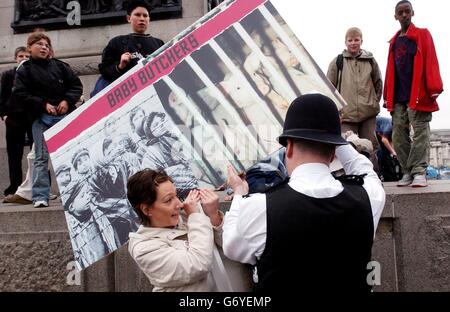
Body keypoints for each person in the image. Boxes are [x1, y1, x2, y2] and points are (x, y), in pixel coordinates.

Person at [222, 94, 386, 292]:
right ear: (334, 152)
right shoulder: (368, 198)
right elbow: (364, 169)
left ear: (288, 147)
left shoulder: (260, 208)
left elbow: (231, 246)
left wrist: (240, 193)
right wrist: (336, 137)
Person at [12, 32, 83, 208]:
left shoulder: (60, 66)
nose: (44, 47)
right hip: (40, 119)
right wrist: (43, 105)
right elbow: (20, 94)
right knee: (41, 158)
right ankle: (40, 196)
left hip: (64, 117)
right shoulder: (24, 70)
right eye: (40, 44)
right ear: (30, 47)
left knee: (68, 156)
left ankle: (71, 194)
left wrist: (67, 101)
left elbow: (76, 85)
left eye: (46, 44)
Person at [127, 168, 224, 292]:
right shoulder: (144, 248)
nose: (178, 204)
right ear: (146, 210)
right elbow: (199, 265)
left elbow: (228, 246)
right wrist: (196, 217)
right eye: (168, 200)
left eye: (176, 195)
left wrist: (213, 214)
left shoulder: (187, 214)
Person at [383, 0, 443, 187]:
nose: (404, 15)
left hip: (418, 94)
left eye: (407, 11)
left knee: (420, 133)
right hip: (399, 96)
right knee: (399, 135)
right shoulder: (393, 42)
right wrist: (387, 96)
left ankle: (419, 171)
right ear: (395, 16)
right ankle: (408, 171)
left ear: (412, 13)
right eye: (400, 12)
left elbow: (431, 61)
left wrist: (433, 88)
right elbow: (389, 71)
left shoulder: (422, 35)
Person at [327, 27, 383, 172]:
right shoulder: (337, 62)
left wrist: (374, 102)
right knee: (346, 147)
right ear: (345, 42)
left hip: (368, 113)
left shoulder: (370, 61)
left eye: (356, 40)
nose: (353, 43)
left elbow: (378, 82)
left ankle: (374, 177)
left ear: (361, 41)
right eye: (350, 40)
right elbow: (329, 88)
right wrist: (335, 111)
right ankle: (349, 180)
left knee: (370, 147)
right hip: (346, 114)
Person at [98, 0, 164, 83]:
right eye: (137, 15)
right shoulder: (117, 42)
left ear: (149, 19)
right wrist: (120, 66)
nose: (142, 19)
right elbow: (104, 70)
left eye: (145, 15)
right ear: (128, 18)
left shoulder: (159, 44)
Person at [0, 47, 32, 196]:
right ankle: (15, 186)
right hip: (14, 119)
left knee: (37, 154)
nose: (24, 58)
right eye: (21, 56)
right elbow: (2, 97)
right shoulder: (8, 75)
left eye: (27, 55)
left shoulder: (34, 73)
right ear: (15, 58)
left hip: (32, 118)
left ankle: (40, 185)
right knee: (14, 155)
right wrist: (4, 115)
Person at [376, 116, 402, 182]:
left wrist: (393, 152)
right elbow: (384, 140)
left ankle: (389, 175)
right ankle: (383, 174)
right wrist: (393, 152)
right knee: (382, 152)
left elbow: (390, 140)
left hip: (380, 131)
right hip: (374, 127)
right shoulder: (390, 125)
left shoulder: (395, 128)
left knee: (388, 152)